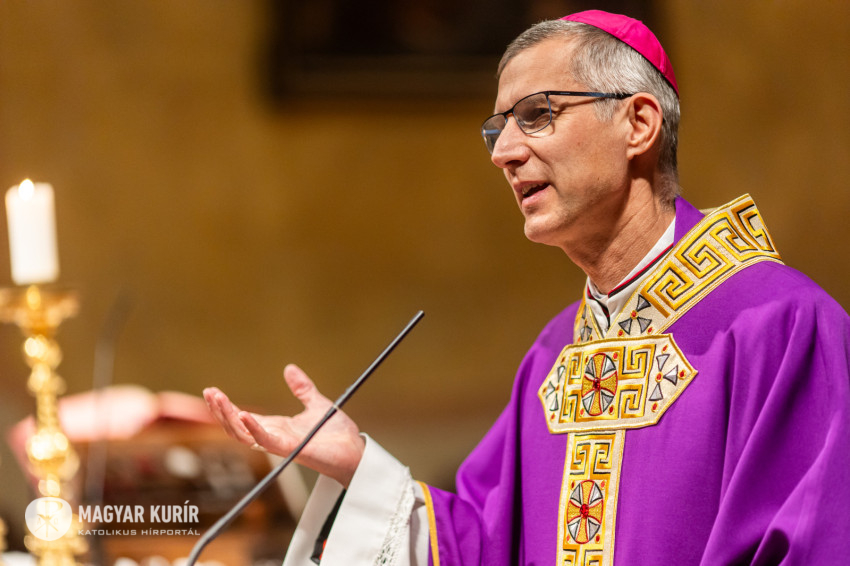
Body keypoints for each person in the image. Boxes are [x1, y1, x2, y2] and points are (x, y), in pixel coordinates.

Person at [204, 10, 850, 565]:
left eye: (537, 115)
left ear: (638, 123)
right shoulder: (554, 353)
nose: (503, 152)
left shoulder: (781, 324)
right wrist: (357, 464)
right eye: (498, 128)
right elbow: (486, 544)